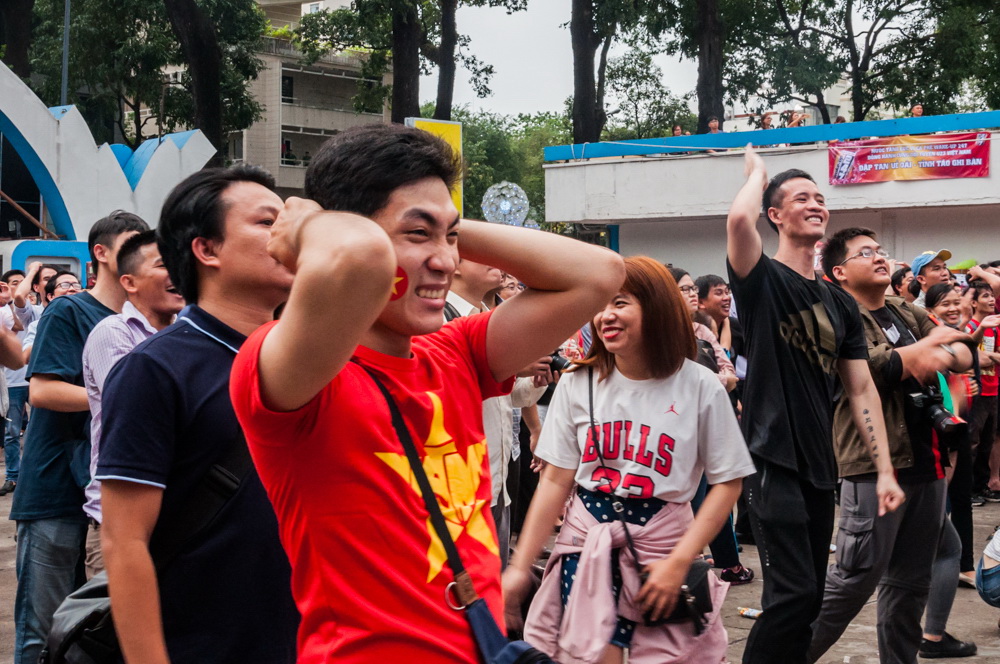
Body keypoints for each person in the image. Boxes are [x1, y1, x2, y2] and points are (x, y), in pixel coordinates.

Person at [228, 123, 625, 662]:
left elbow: (598, 272)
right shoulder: (287, 368)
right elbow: (360, 257)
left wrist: (442, 229)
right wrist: (318, 223)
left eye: (451, 238)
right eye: (418, 235)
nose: (446, 261)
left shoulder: (454, 352)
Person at [504, 256, 755, 663]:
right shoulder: (577, 382)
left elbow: (728, 481)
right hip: (587, 548)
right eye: (600, 305)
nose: (605, 315)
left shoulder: (701, 386)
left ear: (656, 306)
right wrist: (520, 565)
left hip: (663, 550)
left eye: (620, 302)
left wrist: (679, 561)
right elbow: (555, 480)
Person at [96, 167, 300, 663]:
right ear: (206, 250)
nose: (290, 236)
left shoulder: (309, 361)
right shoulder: (154, 369)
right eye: (267, 222)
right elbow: (124, 541)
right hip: (205, 644)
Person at [726, 147, 905, 664]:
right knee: (792, 595)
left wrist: (886, 471)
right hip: (768, 456)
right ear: (775, 215)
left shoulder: (840, 302)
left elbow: (860, 388)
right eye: (801, 197)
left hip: (820, 466)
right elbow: (740, 217)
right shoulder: (761, 279)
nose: (816, 204)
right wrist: (758, 174)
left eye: (821, 198)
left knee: (805, 603)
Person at [808, 227, 974, 663]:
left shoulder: (903, 309)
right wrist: (929, 350)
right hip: (871, 465)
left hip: (928, 461)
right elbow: (877, 368)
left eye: (881, 250)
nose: (880, 257)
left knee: (909, 585)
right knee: (852, 581)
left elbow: (964, 351)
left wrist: (935, 351)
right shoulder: (838, 317)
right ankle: (782, 655)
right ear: (839, 271)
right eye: (866, 253)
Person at [10, 211, 147, 664]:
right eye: (132, 243)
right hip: (54, 486)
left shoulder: (142, 322)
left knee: (94, 631)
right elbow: (42, 390)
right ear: (101, 253)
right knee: (42, 629)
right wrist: (120, 399)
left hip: (104, 494)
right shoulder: (70, 310)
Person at [80, 231, 185, 579]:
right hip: (120, 525)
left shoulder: (187, 331)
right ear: (129, 282)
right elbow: (140, 413)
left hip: (178, 520)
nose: (177, 273)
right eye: (163, 265)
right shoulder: (113, 332)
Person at [446, 257, 550, 568]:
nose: (498, 262)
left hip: (498, 479)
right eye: (482, 255)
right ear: (455, 265)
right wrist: (505, 368)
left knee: (495, 581)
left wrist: (533, 377)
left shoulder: (491, 317)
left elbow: (512, 397)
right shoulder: (437, 319)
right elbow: (441, 391)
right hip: (463, 485)